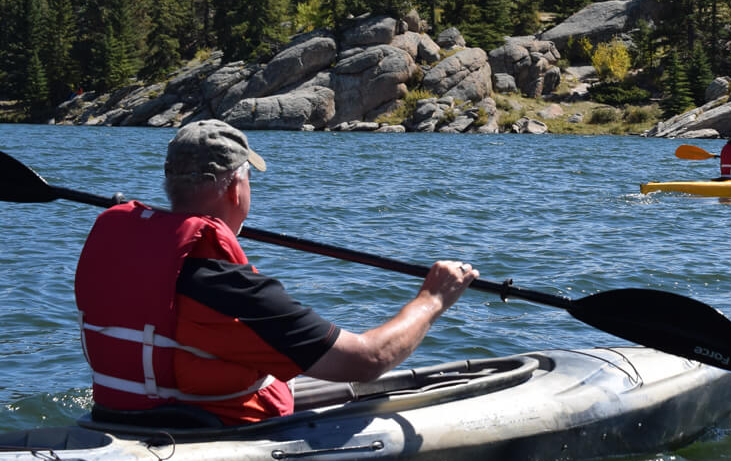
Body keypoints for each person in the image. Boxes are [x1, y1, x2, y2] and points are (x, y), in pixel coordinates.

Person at [73, 119, 479, 427]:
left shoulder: (119, 259)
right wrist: (433, 299)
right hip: (211, 431)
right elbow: (366, 360)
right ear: (235, 188)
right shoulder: (227, 286)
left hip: (121, 417)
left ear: (169, 186)